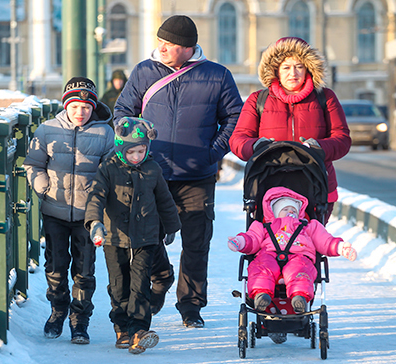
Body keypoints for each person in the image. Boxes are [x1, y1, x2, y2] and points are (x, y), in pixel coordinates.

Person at [114, 14, 243, 328]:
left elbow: (235, 118)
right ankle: (161, 280)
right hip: (151, 174)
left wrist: (211, 153)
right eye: (160, 42)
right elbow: (122, 113)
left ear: (187, 47)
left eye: (168, 44)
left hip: (197, 177)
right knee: (147, 239)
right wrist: (133, 142)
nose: (161, 48)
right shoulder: (144, 71)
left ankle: (191, 306)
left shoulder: (218, 75)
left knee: (196, 244)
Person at [23, 77, 114, 344]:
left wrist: (101, 198)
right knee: (56, 266)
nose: (80, 112)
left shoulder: (104, 133)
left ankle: (80, 320)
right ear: (66, 106)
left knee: (84, 270)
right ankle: (58, 310)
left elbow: (110, 170)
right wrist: (43, 188)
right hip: (55, 211)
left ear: (93, 108)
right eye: (75, 106)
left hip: (89, 215)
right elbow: (33, 164)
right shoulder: (47, 129)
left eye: (86, 107)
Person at [85, 117, 181, 354]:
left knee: (140, 284)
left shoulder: (152, 169)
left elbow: (165, 200)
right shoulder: (108, 168)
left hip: (146, 237)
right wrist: (95, 222)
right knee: (119, 284)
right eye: (132, 152)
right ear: (120, 148)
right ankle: (122, 327)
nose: (137, 156)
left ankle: (139, 330)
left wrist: (171, 227)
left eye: (141, 151)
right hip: (114, 236)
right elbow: (96, 196)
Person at [229, 37, 351, 221]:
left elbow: (342, 139)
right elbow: (238, 140)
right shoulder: (258, 100)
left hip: (316, 188)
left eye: (299, 66)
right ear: (276, 70)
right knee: (271, 245)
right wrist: (256, 146)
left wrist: (319, 147)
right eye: (286, 67)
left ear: (308, 68)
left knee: (309, 245)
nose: (293, 73)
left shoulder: (325, 98)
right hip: (269, 188)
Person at [227, 186, 357, 314]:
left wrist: (340, 248)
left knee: (300, 270)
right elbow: (252, 238)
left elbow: (325, 240)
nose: (291, 212)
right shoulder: (264, 226)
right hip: (269, 255)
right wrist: (239, 242)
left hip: (298, 257)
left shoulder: (308, 226)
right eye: (285, 209)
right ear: (274, 212)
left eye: (294, 209)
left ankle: (299, 297)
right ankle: (261, 294)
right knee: (262, 266)